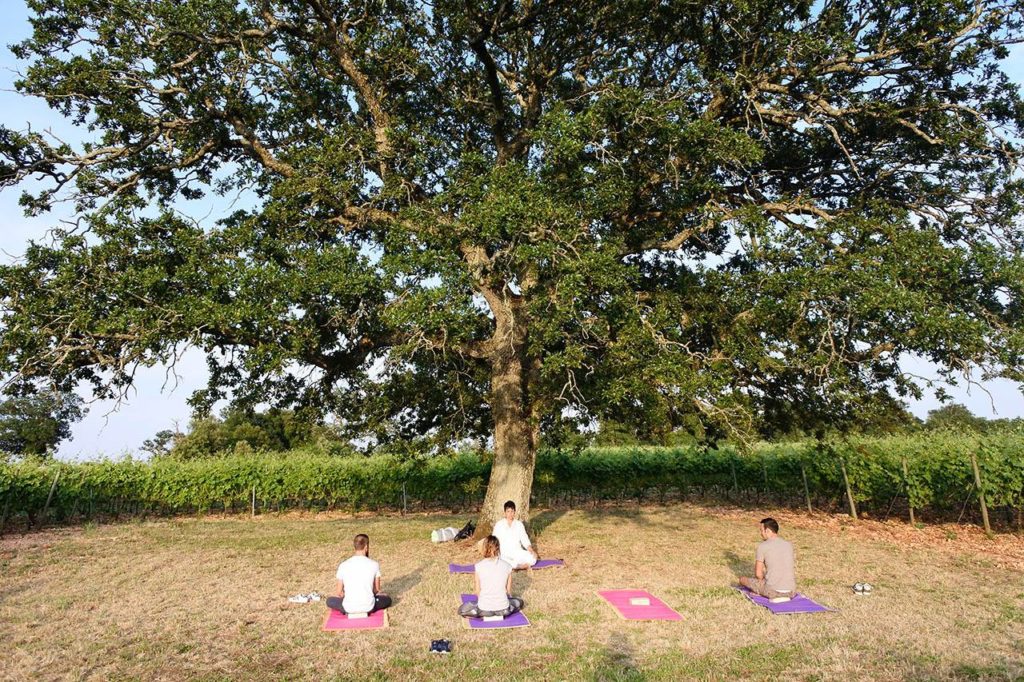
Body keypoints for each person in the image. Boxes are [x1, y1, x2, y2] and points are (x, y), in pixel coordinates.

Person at [458, 535, 525, 618]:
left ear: (484, 548)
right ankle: (507, 608)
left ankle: (476, 612)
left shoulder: (478, 566)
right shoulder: (508, 566)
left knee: (462, 609)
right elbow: (508, 592)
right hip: (503, 609)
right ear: (498, 549)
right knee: (519, 602)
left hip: (484, 609)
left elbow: (478, 591)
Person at [325, 533, 392, 615]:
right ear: (366, 547)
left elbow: (339, 592)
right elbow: (376, 590)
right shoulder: (374, 564)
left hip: (348, 607)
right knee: (387, 599)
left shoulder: (343, 565)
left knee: (329, 600)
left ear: (355, 547)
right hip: (369, 607)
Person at [739, 517, 797, 601]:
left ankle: (760, 591)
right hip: (791, 591)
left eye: (761, 530)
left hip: (772, 591)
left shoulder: (763, 546)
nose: (761, 533)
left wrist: (759, 586)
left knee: (742, 579)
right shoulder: (788, 545)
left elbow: (758, 574)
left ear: (768, 531)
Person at [491, 500, 538, 569]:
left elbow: (524, 539)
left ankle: (514, 565)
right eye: (508, 511)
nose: (510, 514)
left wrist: (531, 550)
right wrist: (493, 551)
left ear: (514, 512)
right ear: (505, 513)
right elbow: (494, 540)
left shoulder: (519, 524)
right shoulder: (499, 524)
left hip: (516, 552)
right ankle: (518, 566)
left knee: (533, 558)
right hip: (504, 553)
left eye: (512, 511)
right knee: (498, 559)